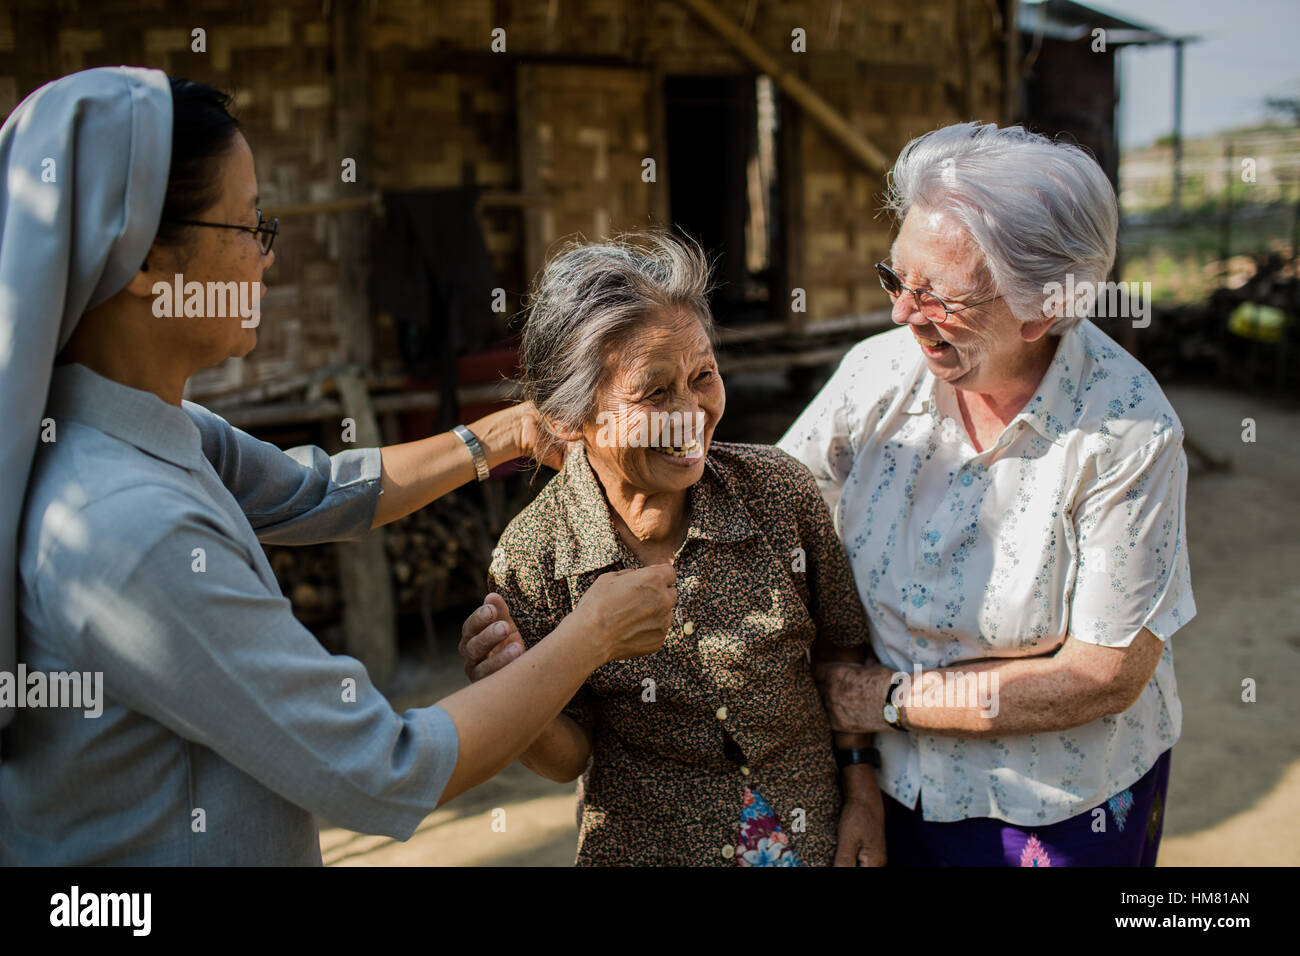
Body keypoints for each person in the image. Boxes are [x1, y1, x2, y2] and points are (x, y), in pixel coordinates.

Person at [0, 66, 675, 865]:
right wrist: (593, 632)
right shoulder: (129, 527)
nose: (266, 259)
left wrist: (505, 432)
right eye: (248, 227)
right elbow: (382, 768)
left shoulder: (139, 428)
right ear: (144, 259)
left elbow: (316, 491)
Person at [778, 122, 1195, 866]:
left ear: (1043, 312)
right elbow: (781, 511)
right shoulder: (875, 376)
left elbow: (1104, 673)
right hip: (887, 781)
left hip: (1054, 807)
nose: (903, 313)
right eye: (895, 278)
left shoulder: (1127, 433)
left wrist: (884, 701)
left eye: (938, 296)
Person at [457, 232, 884, 866]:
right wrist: (515, 687)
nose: (691, 414)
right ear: (571, 418)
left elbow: (840, 650)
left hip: (807, 832)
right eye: (655, 393)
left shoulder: (778, 493)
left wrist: (862, 796)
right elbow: (567, 755)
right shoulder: (536, 554)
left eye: (703, 377)